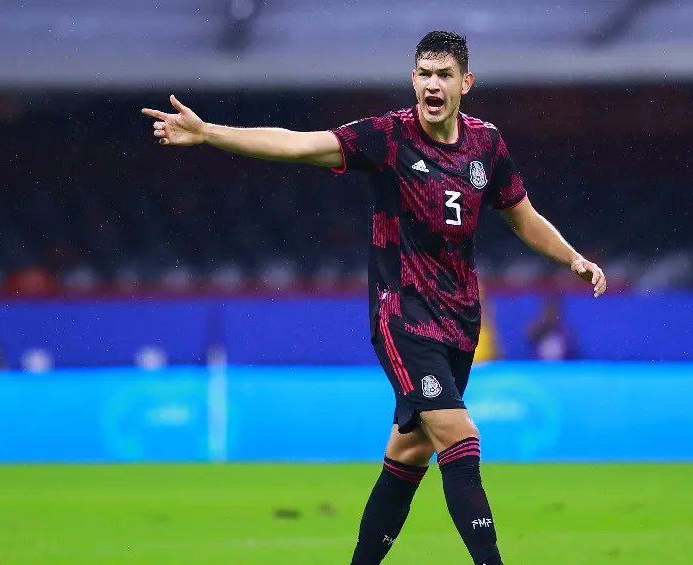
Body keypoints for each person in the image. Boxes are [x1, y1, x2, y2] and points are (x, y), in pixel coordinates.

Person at [142, 30, 606, 565]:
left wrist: (572, 257)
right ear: (413, 79)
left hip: (459, 321)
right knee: (460, 436)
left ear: (466, 84)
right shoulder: (387, 137)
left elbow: (521, 217)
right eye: (424, 73)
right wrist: (210, 134)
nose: (432, 84)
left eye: (444, 75)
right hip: (401, 316)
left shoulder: (487, 145)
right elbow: (299, 143)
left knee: (410, 450)